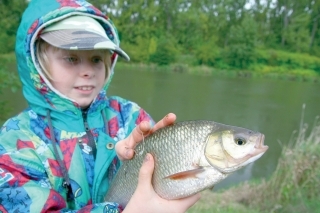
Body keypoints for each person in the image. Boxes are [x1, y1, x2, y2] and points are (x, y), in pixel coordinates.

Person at [0, 0, 200, 212]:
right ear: (37, 64)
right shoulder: (16, 141)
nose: (88, 71)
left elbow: (162, 180)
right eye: (71, 58)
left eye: (96, 59)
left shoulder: (130, 116)